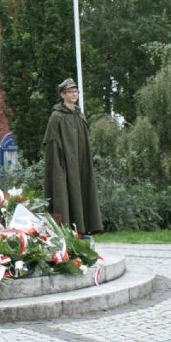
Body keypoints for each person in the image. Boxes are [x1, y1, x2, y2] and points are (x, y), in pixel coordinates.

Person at [42, 78, 103, 235]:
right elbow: (52, 145)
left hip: (81, 164)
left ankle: (84, 228)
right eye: (70, 91)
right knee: (65, 193)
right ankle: (66, 230)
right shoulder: (56, 117)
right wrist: (59, 167)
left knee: (82, 189)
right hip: (64, 165)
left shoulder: (79, 115)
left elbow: (85, 143)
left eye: (76, 91)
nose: (74, 94)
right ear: (63, 95)